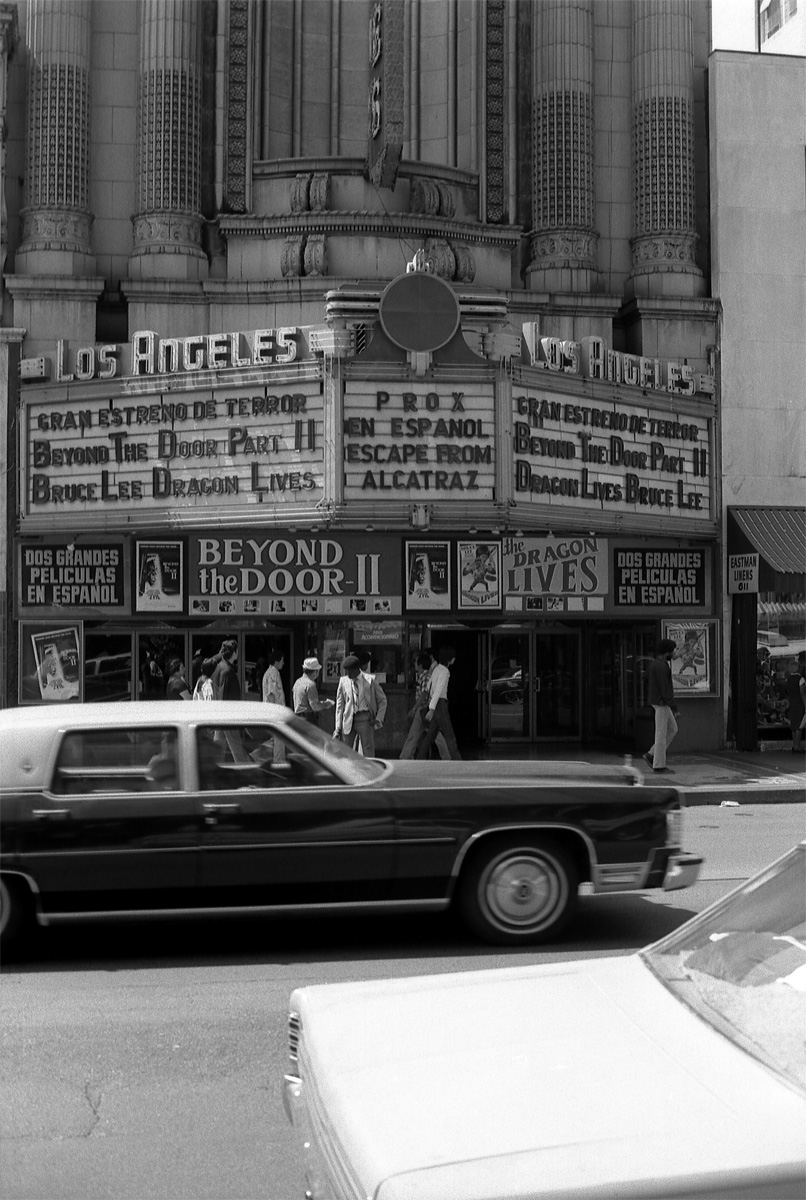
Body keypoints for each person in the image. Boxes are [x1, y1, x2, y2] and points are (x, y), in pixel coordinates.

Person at [333, 654, 387, 756]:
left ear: (357, 669)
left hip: (365, 719)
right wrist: (338, 727)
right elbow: (339, 706)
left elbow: (383, 700)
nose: (348, 674)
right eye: (346, 671)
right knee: (345, 750)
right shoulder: (343, 681)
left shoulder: (370, 680)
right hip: (348, 719)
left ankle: (369, 766)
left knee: (368, 749)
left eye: (350, 671)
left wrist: (379, 718)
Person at [400, 650, 450, 760]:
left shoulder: (425, 677)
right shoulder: (426, 676)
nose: (414, 664)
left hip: (424, 709)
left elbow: (424, 694)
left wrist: (415, 708)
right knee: (429, 734)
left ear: (421, 665)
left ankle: (406, 756)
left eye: (416, 662)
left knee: (432, 734)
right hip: (425, 709)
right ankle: (406, 755)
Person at [415, 645, 461, 760]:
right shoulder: (444, 672)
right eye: (453, 658)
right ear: (449, 659)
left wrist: (431, 707)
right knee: (449, 735)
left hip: (434, 704)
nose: (454, 659)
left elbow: (429, 687)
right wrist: (431, 709)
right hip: (440, 705)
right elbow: (438, 691)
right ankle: (458, 760)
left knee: (430, 736)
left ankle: (420, 758)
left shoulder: (436, 670)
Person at [643, 638, 679, 772]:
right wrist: (674, 707)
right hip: (662, 702)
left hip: (658, 701)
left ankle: (652, 754)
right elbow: (665, 689)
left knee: (672, 729)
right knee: (661, 734)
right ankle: (659, 765)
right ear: (666, 652)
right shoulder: (662, 667)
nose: (674, 654)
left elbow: (646, 678)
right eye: (672, 651)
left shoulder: (654, 664)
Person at [292, 656, 334, 724]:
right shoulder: (310, 685)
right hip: (308, 719)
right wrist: (326, 704)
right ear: (315, 672)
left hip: (297, 717)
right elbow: (315, 706)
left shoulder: (298, 682)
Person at [789, 650, 806, 752]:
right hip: (800, 704)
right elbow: (802, 693)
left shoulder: (788, 679)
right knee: (800, 726)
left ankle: (794, 744)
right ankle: (797, 746)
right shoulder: (801, 679)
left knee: (794, 725)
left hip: (792, 703)